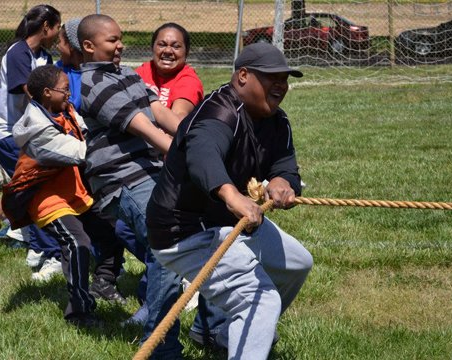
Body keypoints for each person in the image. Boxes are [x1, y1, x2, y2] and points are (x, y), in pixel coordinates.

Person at [146, 43, 314, 359]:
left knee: (298, 263)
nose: (280, 86)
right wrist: (230, 193)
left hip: (226, 224)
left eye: (284, 79)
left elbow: (285, 166)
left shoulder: (277, 121)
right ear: (242, 76)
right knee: (259, 298)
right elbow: (202, 155)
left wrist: (281, 183)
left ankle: (224, 335)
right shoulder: (218, 112)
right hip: (183, 232)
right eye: (271, 78)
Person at [78, 14, 183, 359]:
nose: (120, 44)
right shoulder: (93, 83)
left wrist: (199, 141)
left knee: (190, 241)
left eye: (120, 38)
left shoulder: (128, 74)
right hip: (122, 178)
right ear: (89, 47)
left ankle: (205, 330)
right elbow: (146, 129)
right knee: (167, 249)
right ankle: (159, 348)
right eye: (112, 41)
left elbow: (163, 116)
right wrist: (186, 157)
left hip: (149, 169)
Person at [136, 21, 227, 346]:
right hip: (138, 166)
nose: (168, 50)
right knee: (125, 229)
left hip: (172, 173)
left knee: (167, 240)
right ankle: (166, 285)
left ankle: (177, 305)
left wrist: (147, 110)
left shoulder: (187, 80)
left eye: (176, 46)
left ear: (186, 52)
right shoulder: (140, 72)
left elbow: (177, 124)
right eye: (162, 43)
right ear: (152, 47)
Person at [3, 65, 98, 326]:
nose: (70, 94)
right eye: (65, 90)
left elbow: (85, 132)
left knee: (112, 231)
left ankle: (106, 280)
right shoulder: (38, 130)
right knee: (77, 244)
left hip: (73, 192)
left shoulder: (63, 110)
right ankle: (79, 311)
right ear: (47, 93)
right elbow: (81, 152)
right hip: (47, 200)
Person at [0, 5, 63, 280]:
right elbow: (30, 92)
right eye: (57, 28)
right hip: (5, 133)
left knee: (32, 186)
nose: (58, 33)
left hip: (27, 134)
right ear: (45, 27)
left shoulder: (45, 56)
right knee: (36, 187)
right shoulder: (19, 52)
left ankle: (36, 242)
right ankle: (52, 253)